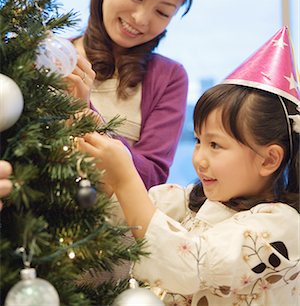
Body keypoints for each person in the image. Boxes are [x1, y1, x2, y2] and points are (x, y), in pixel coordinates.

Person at [78, 26, 300, 306]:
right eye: (198, 141)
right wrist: (82, 119)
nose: (199, 158)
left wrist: (125, 178)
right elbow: (124, 213)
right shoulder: (188, 201)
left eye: (215, 145)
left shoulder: (281, 224)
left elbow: (189, 267)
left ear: (269, 160)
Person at [70, 0, 196, 189]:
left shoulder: (169, 78)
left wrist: (85, 114)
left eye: (162, 12)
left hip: (119, 229)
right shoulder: (55, 56)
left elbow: (151, 178)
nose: (140, 18)